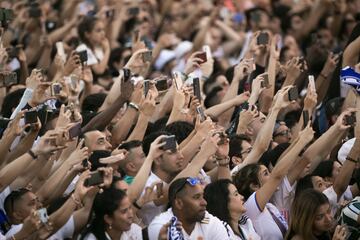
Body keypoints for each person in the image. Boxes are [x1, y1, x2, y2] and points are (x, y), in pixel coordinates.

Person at [148, 177, 230, 240]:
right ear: (179, 203)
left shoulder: (209, 222)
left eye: (203, 196)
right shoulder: (162, 226)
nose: (204, 202)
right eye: (197, 197)